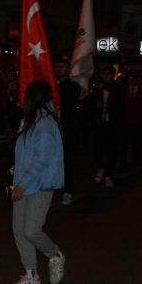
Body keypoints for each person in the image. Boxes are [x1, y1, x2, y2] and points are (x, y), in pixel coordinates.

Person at [7, 80, 66, 284]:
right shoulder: (30, 121)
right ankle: (31, 274)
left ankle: (55, 255)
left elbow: (41, 159)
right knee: (19, 230)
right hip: (23, 184)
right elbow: (23, 155)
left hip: (39, 186)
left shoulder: (45, 124)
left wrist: (22, 184)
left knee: (31, 230)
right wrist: (16, 180)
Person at [91, 65, 124, 188]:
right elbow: (91, 105)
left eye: (107, 74)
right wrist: (96, 105)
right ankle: (101, 167)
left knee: (112, 151)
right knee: (96, 149)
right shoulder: (98, 89)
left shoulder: (118, 89)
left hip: (113, 124)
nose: (105, 76)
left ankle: (109, 174)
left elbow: (121, 107)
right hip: (100, 124)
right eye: (103, 74)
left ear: (112, 75)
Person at [54, 57, 81, 204]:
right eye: (57, 67)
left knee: (66, 160)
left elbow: (69, 104)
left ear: (68, 69)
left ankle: (68, 191)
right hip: (51, 129)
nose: (59, 70)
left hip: (66, 129)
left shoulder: (73, 87)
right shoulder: (50, 86)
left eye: (62, 67)